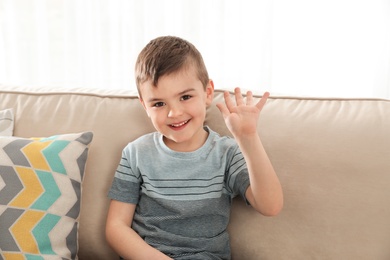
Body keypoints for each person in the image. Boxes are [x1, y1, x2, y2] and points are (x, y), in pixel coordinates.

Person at [105, 36, 283, 260]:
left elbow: (271, 205)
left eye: (185, 97)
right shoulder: (136, 153)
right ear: (144, 105)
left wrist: (248, 138)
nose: (174, 113)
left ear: (208, 92)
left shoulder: (226, 153)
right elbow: (116, 227)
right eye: (159, 103)